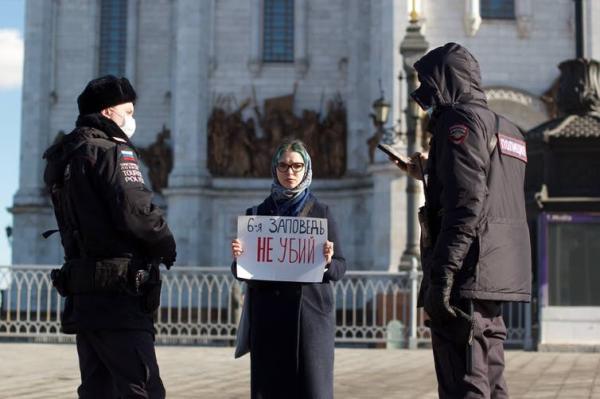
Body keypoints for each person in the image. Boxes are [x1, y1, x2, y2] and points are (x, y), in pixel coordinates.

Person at [394, 43, 532, 398]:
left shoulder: (459, 122)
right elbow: (489, 189)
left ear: (444, 80)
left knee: (465, 383)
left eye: (427, 82)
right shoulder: (508, 128)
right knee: (490, 379)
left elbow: (466, 205)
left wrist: (442, 276)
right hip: (496, 272)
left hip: (466, 273)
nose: (423, 94)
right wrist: (428, 172)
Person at [43, 75, 176, 398]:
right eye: (127, 111)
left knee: (98, 388)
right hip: (118, 293)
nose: (131, 119)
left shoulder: (64, 155)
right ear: (107, 113)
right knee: (141, 387)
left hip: (83, 291)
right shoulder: (111, 152)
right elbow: (136, 211)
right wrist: (165, 243)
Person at [230, 139, 346, 399]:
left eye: (296, 166)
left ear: (306, 169)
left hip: (311, 320)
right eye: (283, 166)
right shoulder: (257, 214)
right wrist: (239, 259)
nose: (289, 172)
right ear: (274, 169)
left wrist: (327, 261)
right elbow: (243, 273)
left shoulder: (321, 213)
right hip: (269, 319)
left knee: (312, 390)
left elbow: (340, 267)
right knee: (271, 390)